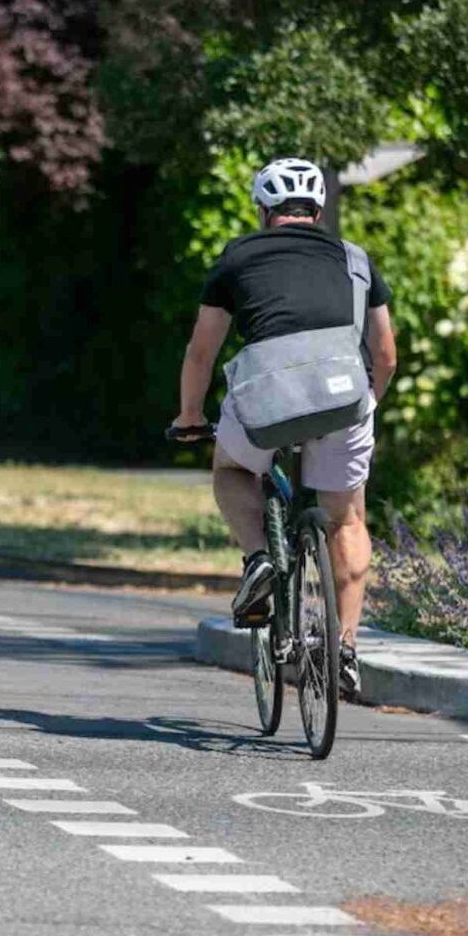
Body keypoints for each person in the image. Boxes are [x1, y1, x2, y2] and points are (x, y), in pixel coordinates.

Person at [172, 157, 397, 698]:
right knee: (346, 518)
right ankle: (345, 647)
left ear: (263, 210)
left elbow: (202, 352)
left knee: (230, 469)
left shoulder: (236, 258)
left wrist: (190, 418)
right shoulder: (358, 262)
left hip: (266, 398)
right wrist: (365, 404)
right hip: (345, 396)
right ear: (319, 210)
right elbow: (385, 356)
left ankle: (258, 558)